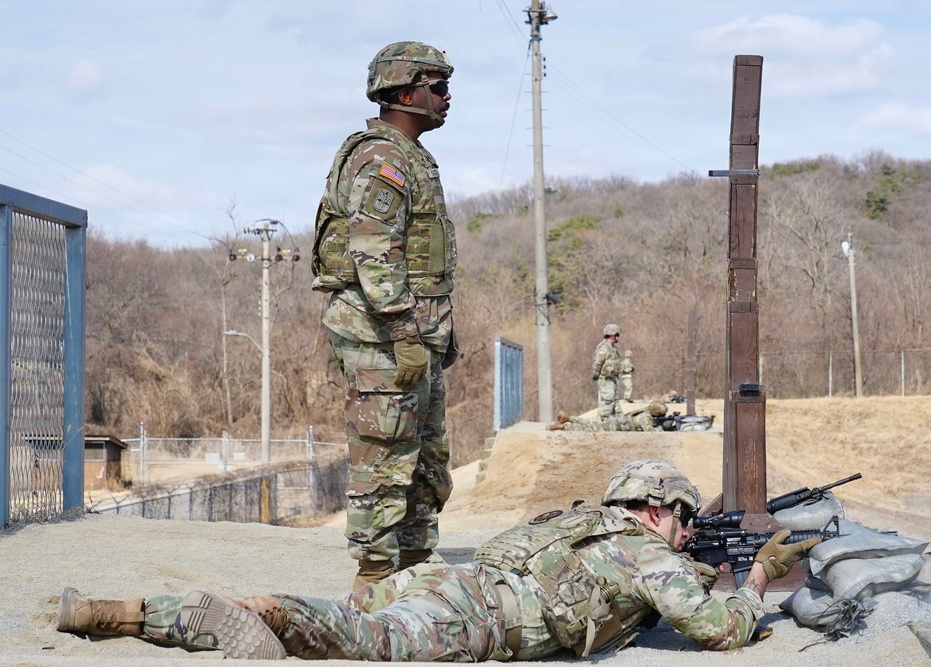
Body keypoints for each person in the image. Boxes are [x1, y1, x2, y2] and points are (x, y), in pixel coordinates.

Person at [56, 460, 821, 661]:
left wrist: (698, 569)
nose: (686, 532)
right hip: (474, 614)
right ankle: (244, 613)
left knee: (352, 616)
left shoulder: (582, 522)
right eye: (682, 518)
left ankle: (127, 612)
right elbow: (717, 627)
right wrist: (755, 578)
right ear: (655, 509)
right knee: (352, 636)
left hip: (445, 579)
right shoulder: (645, 550)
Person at [310, 41, 460, 588]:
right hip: (383, 335)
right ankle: (373, 579)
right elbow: (373, 251)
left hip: (414, 334)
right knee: (384, 456)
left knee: (425, 459)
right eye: (438, 87)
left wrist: (435, 334)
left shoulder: (412, 155)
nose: (448, 97)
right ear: (405, 93)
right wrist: (403, 332)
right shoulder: (383, 159)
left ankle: (415, 568)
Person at [548, 401, 668, 432]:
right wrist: (663, 428)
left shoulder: (645, 412)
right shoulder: (645, 418)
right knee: (588, 429)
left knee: (591, 423)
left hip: (614, 422)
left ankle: (569, 418)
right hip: (613, 427)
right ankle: (563, 427)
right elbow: (650, 431)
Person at [591, 323, 624, 424]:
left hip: (613, 378)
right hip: (605, 379)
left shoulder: (613, 348)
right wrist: (596, 375)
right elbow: (598, 363)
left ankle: (617, 420)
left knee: (615, 400)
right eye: (617, 335)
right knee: (608, 399)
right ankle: (606, 420)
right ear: (612, 335)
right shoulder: (604, 348)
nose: (618, 337)